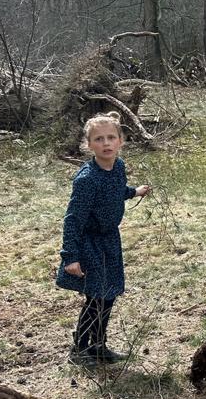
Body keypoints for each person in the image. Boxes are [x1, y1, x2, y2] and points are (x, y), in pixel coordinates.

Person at [56, 111, 151, 366]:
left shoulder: (118, 167)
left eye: (111, 137)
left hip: (110, 240)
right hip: (90, 243)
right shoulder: (87, 179)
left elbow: (116, 191)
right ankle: (79, 349)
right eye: (99, 139)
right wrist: (70, 257)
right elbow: (73, 219)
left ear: (121, 141)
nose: (106, 143)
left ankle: (98, 345)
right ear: (89, 145)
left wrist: (134, 192)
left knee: (109, 294)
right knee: (96, 296)